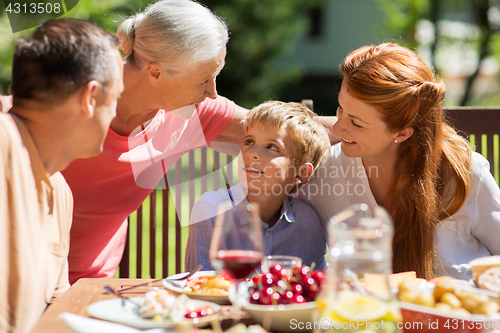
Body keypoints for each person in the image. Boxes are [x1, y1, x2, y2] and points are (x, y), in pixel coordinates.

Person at [55, 0, 337, 283]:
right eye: (204, 79)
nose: (212, 92)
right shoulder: (66, 104)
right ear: (155, 73)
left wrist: (367, 124)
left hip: (94, 281)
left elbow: (284, 129)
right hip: (26, 275)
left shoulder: (195, 113)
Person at [298, 42, 500, 281]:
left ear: (402, 133)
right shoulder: (324, 171)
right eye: (340, 109)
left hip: (460, 313)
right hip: (364, 315)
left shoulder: (464, 172)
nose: (338, 128)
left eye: (357, 123)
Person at [0, 18, 123, 333]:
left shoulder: (60, 191)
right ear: (90, 98)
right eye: (116, 100)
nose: (115, 113)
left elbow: (57, 311)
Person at [185, 101, 330, 271]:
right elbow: (202, 288)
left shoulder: (307, 221)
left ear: (300, 173)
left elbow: (317, 285)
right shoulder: (212, 209)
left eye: (271, 147)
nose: (252, 153)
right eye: (249, 142)